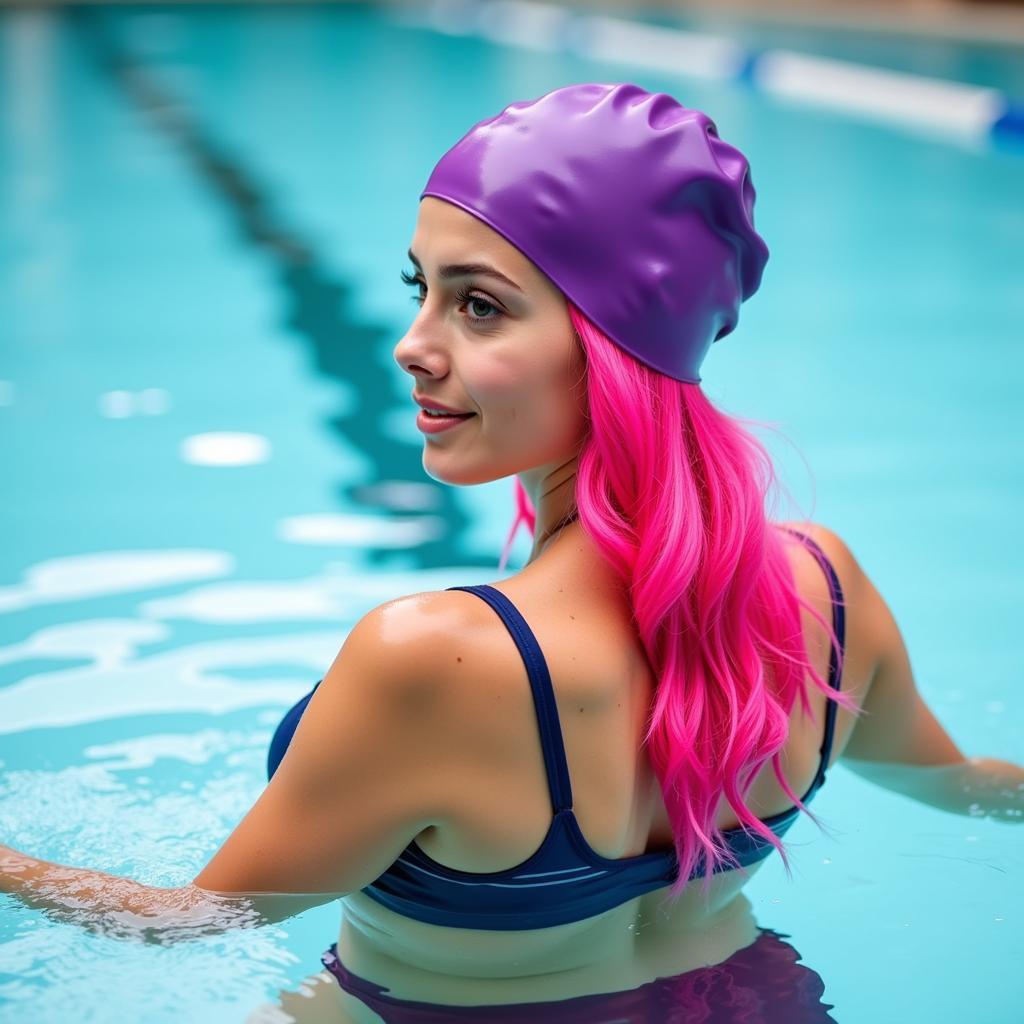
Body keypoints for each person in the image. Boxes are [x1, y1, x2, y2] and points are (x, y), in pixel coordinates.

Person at [2, 82, 1020, 1023]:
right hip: (761, 995)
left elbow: (188, 921)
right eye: (422, 289)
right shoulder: (823, 587)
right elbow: (960, 785)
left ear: (613, 344)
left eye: (478, 304)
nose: (412, 343)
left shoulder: (434, 657)